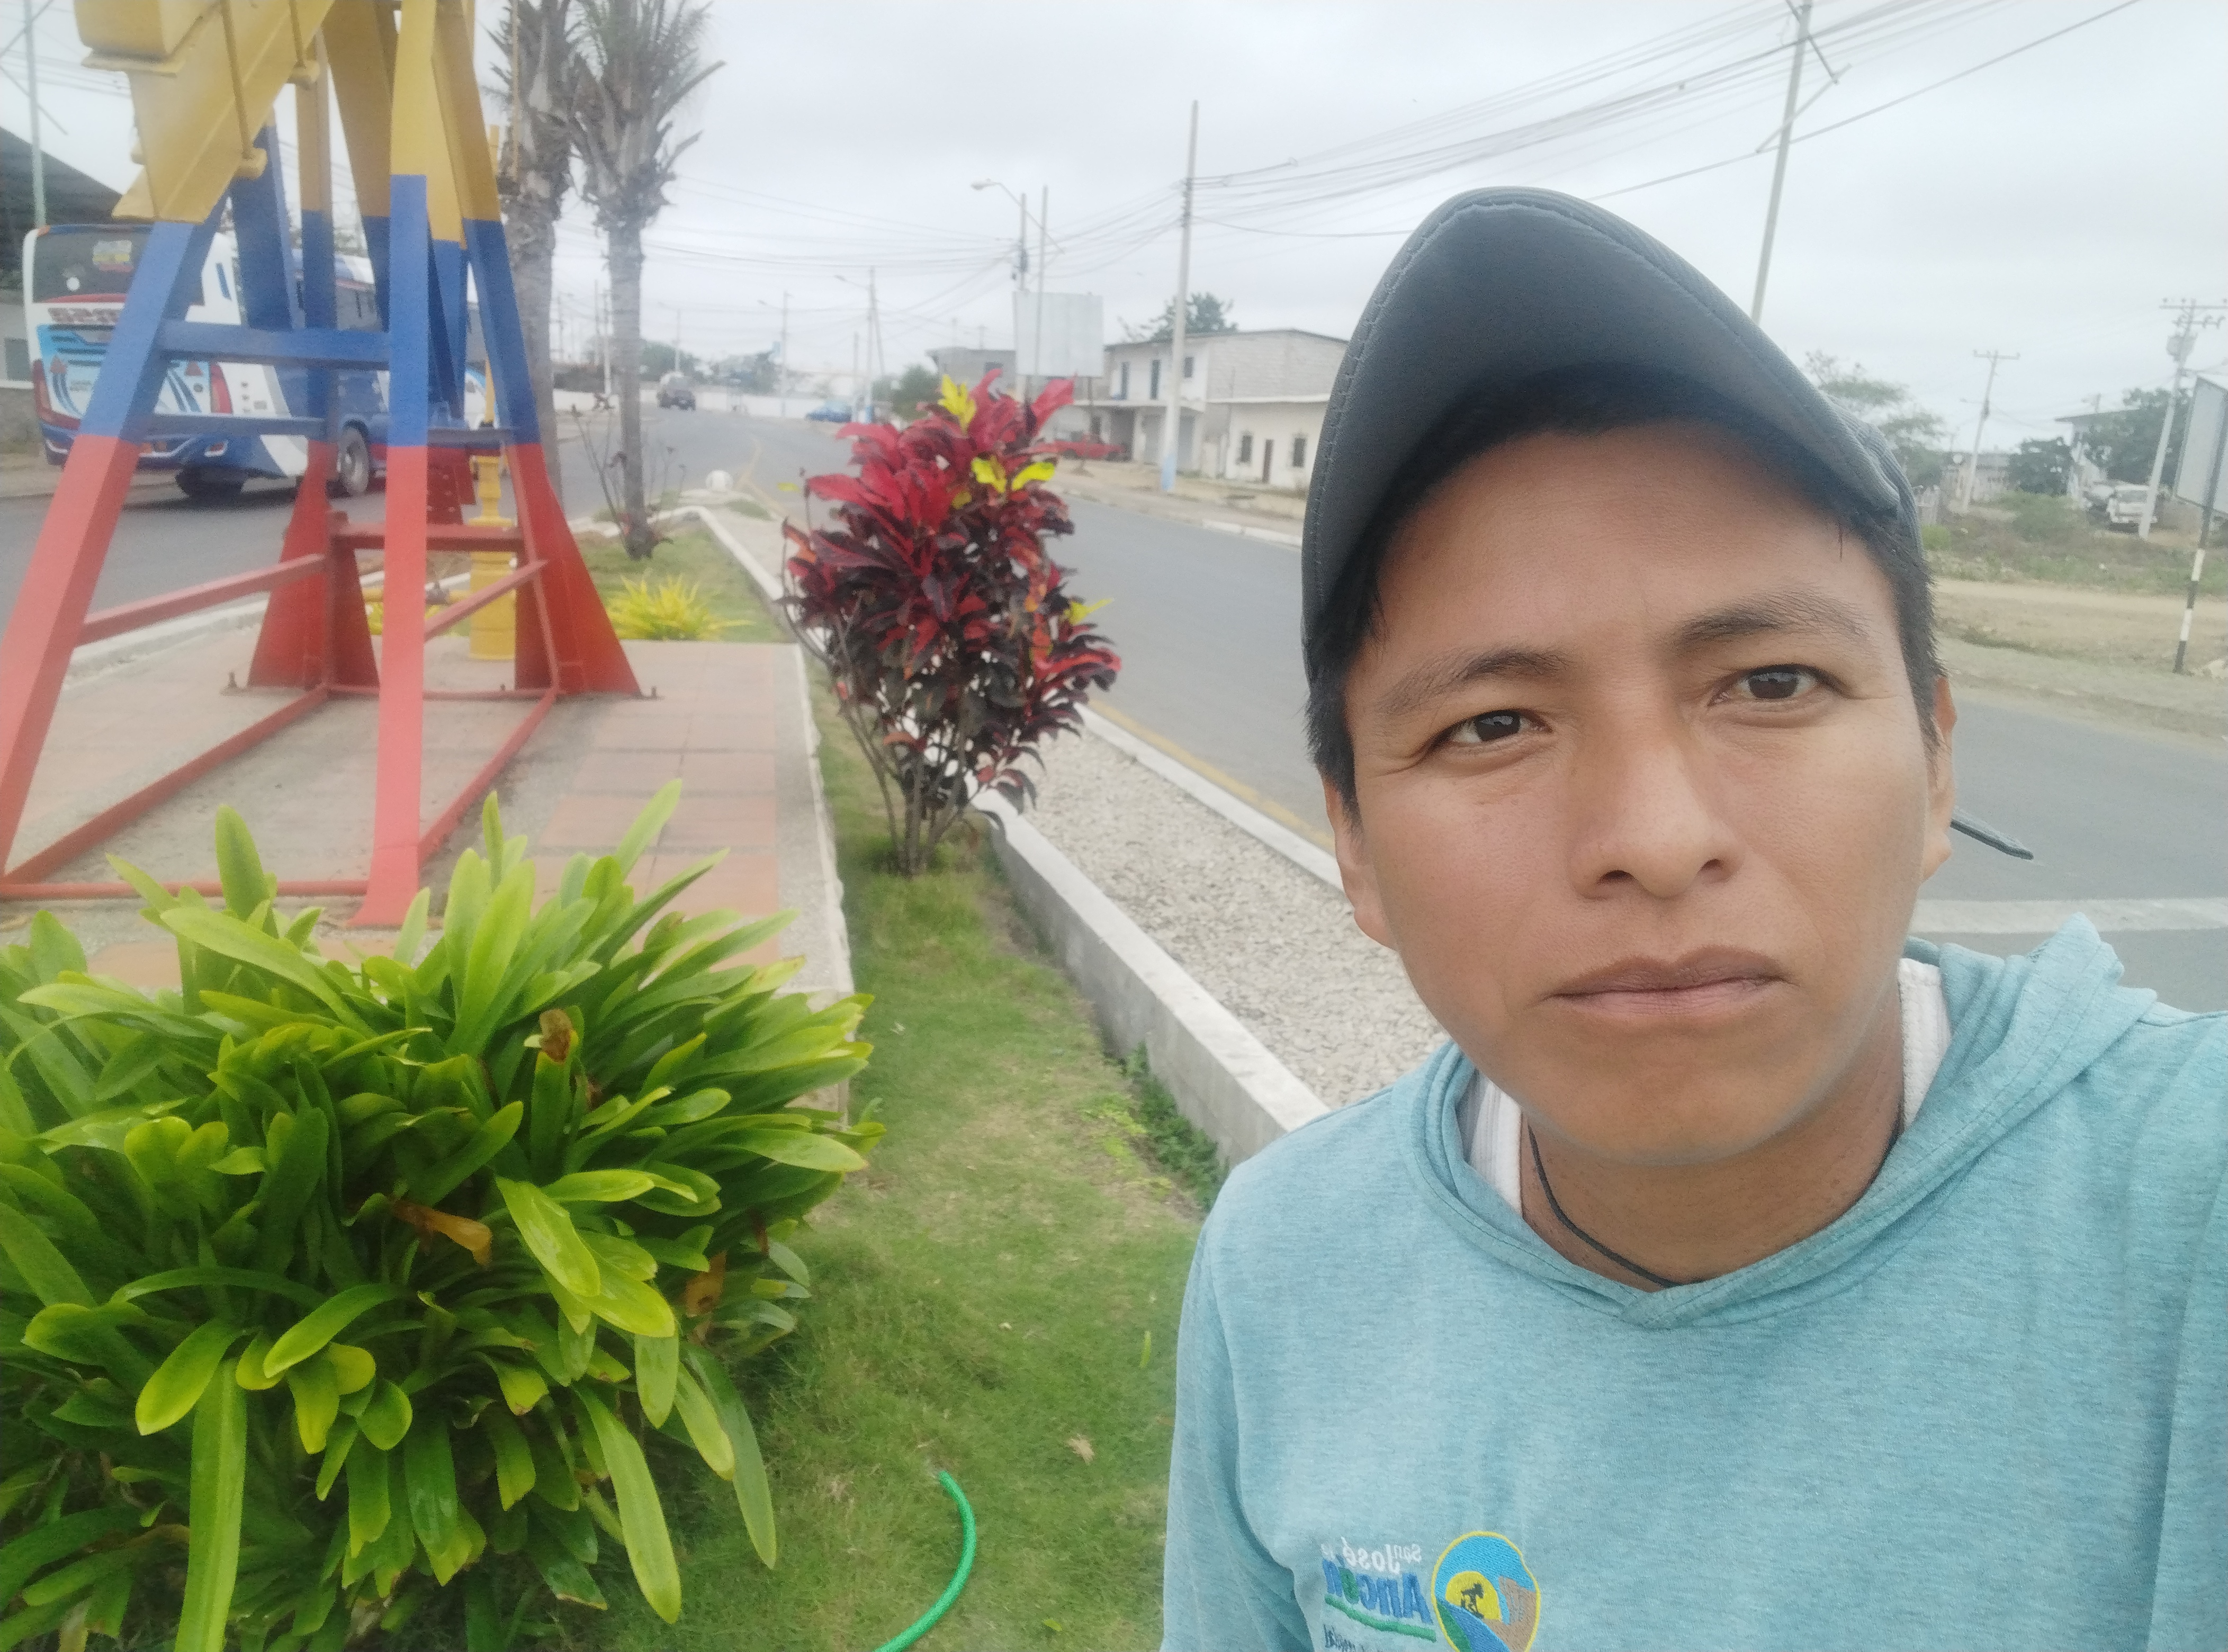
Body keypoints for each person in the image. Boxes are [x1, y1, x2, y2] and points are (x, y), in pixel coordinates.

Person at [1160, 188, 2224, 1652]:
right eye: (1493, 724)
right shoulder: (1283, 1267)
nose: (1656, 843)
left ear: (1936, 764)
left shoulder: (2189, 1222)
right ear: (1355, 844)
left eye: (1771, 685)